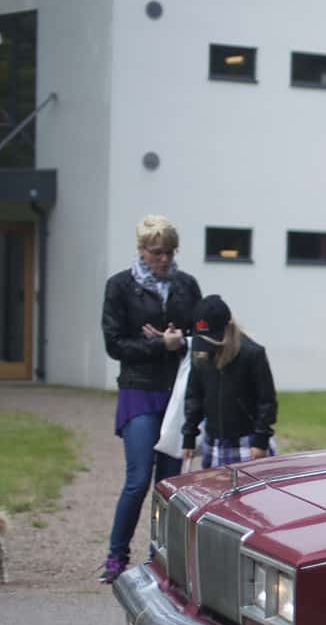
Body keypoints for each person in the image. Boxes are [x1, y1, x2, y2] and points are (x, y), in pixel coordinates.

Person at [99, 214, 201, 583]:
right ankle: (116, 555)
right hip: (139, 390)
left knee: (169, 485)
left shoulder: (187, 286)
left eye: (170, 252)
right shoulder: (120, 287)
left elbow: (202, 334)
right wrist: (159, 343)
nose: (164, 259)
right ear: (142, 251)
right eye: (157, 252)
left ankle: (162, 559)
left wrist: (181, 339)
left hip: (176, 392)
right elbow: (115, 344)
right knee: (139, 478)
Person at [181, 296, 278, 469]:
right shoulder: (201, 355)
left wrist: (261, 440)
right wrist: (189, 435)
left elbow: (267, 401)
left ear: (227, 327)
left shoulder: (252, 354)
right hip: (214, 439)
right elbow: (194, 397)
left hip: (247, 440)